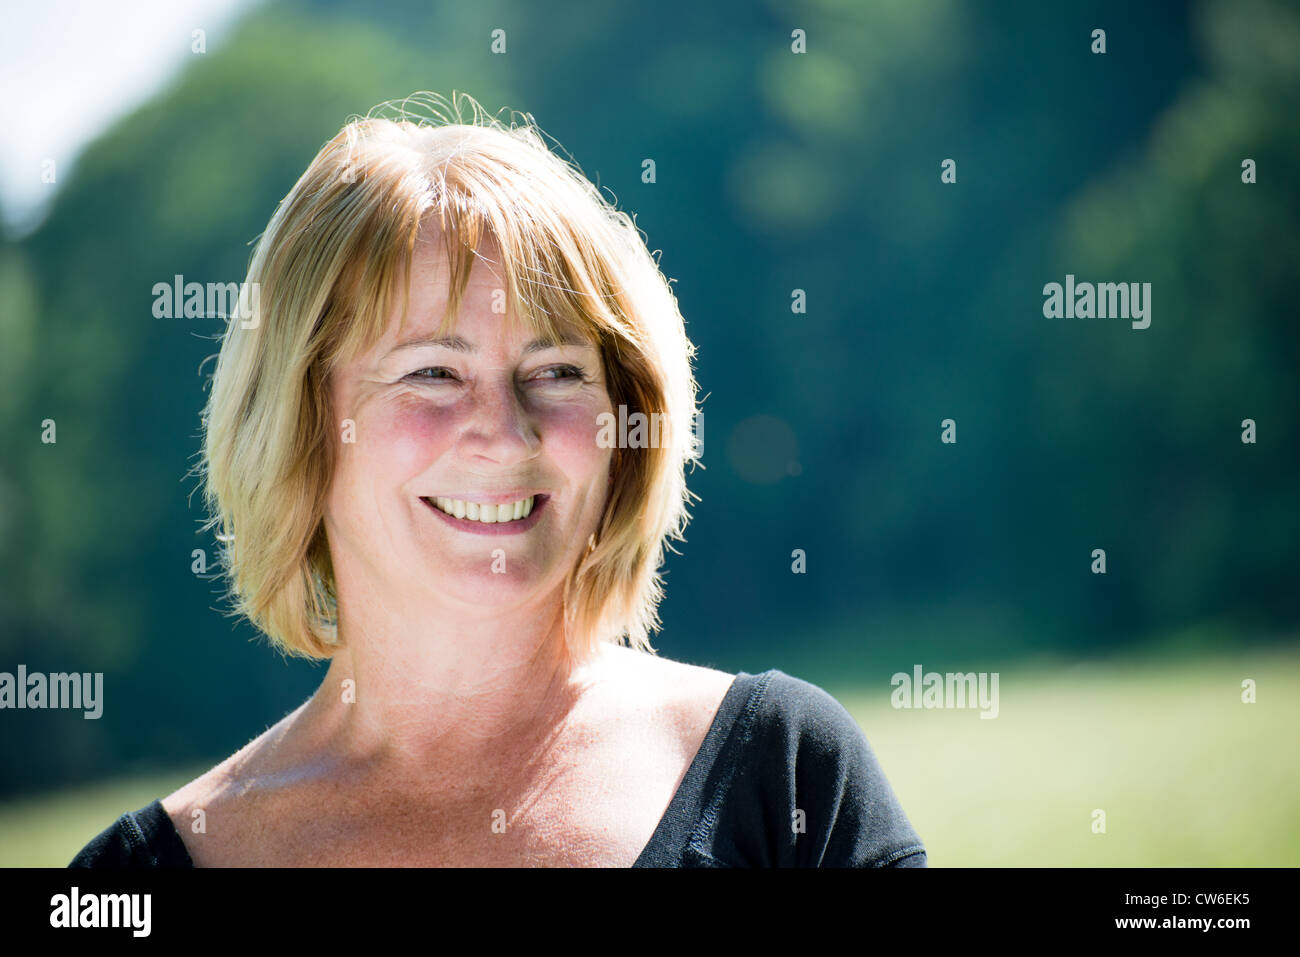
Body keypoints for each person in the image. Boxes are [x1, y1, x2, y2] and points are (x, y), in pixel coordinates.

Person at [69, 91, 926, 868]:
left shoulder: (787, 775)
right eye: (433, 373)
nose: (506, 432)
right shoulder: (131, 881)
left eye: (555, 371)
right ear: (299, 422)